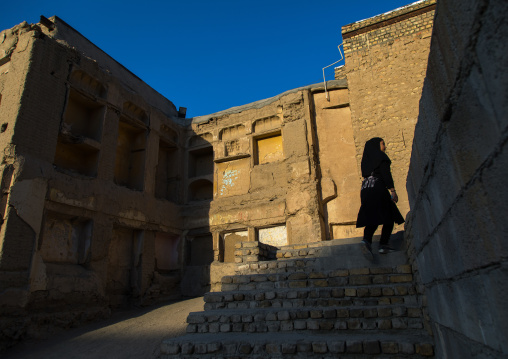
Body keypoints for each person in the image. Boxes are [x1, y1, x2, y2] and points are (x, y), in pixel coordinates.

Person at [356, 137, 404, 260]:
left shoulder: (366, 161)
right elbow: (386, 175)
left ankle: (366, 241)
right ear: (377, 146)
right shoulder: (381, 158)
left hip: (366, 188)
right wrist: (393, 191)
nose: (385, 147)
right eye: (383, 144)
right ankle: (383, 244)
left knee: (373, 216)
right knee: (390, 214)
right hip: (377, 187)